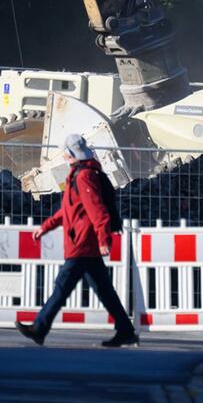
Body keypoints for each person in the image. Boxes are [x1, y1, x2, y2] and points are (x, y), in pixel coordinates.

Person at [15, 133, 138, 348]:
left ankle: (39, 328)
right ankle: (126, 330)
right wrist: (46, 227)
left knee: (62, 287)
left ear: (71, 153)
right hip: (83, 243)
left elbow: (96, 209)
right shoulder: (78, 174)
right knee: (104, 291)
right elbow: (69, 211)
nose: (62, 154)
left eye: (65, 150)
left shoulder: (83, 177)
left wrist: (103, 238)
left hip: (82, 243)